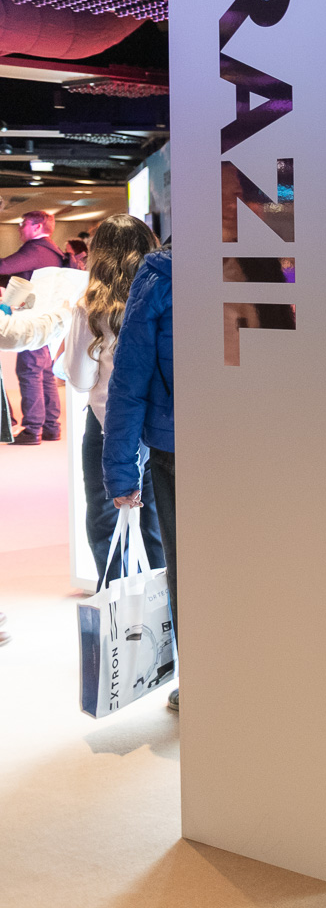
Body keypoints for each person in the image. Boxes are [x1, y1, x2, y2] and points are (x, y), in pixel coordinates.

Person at [65, 214, 166, 584]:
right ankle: (166, 606)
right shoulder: (166, 296)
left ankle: (118, 606)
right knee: (158, 522)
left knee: (107, 521)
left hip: (108, 425)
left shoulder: (89, 306)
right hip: (160, 423)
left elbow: (79, 379)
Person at [103, 243, 175, 707]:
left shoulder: (160, 275)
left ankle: (205, 681)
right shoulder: (275, 264)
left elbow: (130, 380)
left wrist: (121, 472)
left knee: (191, 572)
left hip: (178, 448)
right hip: (251, 448)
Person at [2, 210, 71, 444]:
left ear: (38, 226)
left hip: (33, 320)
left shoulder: (35, 249)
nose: (20, 228)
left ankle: (33, 429)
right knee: (45, 374)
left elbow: (4, 266)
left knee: (29, 371)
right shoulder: (53, 250)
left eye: (23, 223)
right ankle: (51, 427)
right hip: (48, 320)